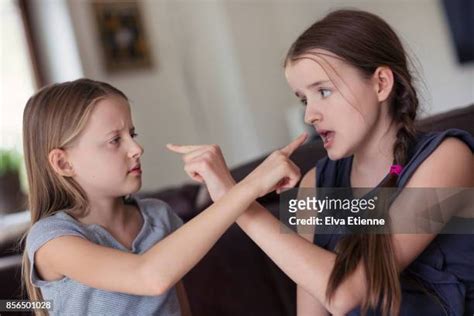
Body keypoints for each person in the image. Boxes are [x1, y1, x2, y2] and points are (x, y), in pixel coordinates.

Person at [168, 9, 474, 316]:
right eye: (304, 99)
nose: (309, 115)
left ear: (381, 83)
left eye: (323, 91)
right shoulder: (315, 184)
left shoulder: (448, 159)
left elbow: (346, 292)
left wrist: (235, 199)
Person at [21, 78, 307, 316]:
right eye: (114, 140)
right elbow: (149, 276)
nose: (136, 148)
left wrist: (232, 190)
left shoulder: (158, 216)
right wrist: (248, 187)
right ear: (63, 163)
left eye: (132, 134)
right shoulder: (51, 240)